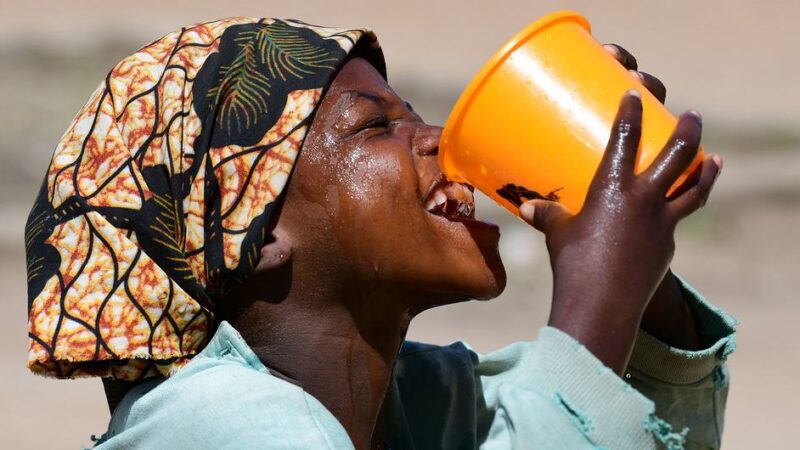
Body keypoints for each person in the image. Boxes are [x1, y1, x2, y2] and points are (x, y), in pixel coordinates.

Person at [24, 17, 736, 449]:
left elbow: (644, 433)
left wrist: (628, 246)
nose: (437, 141)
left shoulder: (414, 407)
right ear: (257, 231)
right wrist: (596, 297)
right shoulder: (216, 425)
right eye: (375, 127)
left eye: (414, 115)